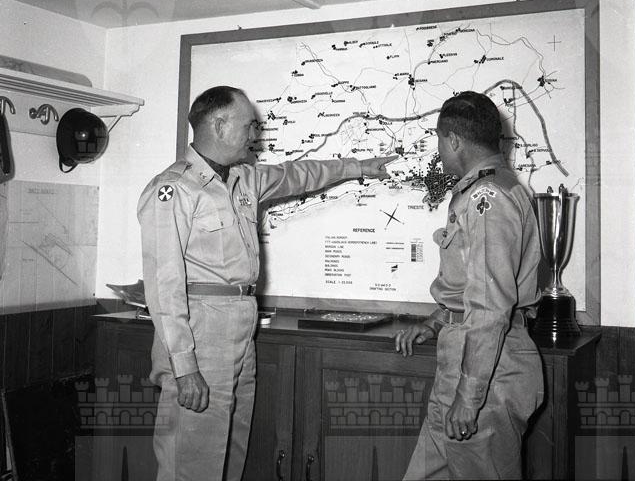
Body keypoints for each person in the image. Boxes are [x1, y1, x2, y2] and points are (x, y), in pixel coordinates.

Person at [137, 85, 396, 481]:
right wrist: (184, 367)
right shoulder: (173, 189)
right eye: (248, 125)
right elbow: (163, 285)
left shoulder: (244, 178)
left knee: (231, 450)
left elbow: (298, 175)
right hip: (199, 330)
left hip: (242, 323)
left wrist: (358, 167)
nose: (254, 134)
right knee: (190, 458)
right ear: (219, 125)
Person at [395, 91, 544, 480]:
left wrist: (468, 397)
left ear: (454, 140)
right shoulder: (485, 191)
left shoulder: (487, 199)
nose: (439, 151)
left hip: (488, 375)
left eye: (439, 141)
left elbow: (491, 306)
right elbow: (471, 285)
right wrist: (435, 322)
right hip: (463, 362)